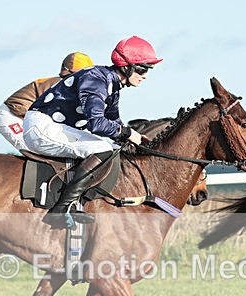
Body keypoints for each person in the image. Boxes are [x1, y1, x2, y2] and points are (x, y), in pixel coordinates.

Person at [22, 36, 162, 226]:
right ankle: (61, 208)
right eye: (142, 69)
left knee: (113, 148)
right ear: (126, 67)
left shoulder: (113, 85)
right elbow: (97, 124)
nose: (145, 75)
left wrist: (133, 140)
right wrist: (129, 133)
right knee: (103, 149)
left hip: (57, 126)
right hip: (41, 126)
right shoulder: (96, 79)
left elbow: (114, 122)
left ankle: (77, 203)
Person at [0, 52, 94, 152]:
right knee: (36, 150)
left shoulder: (67, 84)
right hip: (13, 116)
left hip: (29, 118)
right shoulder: (61, 84)